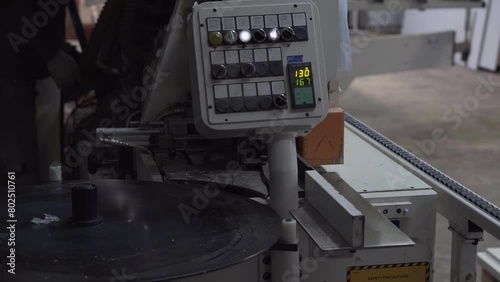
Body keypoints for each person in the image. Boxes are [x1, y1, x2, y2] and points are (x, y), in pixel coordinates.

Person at [0, 0, 80, 183]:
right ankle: (14, 211)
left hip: (18, 75)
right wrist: (51, 53)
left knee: (19, 168)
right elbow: (14, 9)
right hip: (8, 76)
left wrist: (67, 55)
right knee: (16, 174)